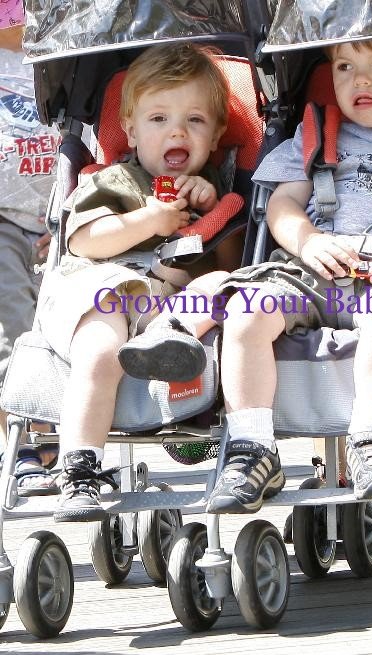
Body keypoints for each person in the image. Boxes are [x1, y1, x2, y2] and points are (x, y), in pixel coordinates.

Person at [201, 31, 372, 514]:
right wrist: (309, 240)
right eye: (344, 67)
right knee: (245, 310)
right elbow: (282, 205)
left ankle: (370, 438)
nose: (359, 79)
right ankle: (251, 448)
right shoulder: (316, 136)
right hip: (310, 274)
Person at [37, 43, 235, 522]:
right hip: (101, 293)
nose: (177, 132)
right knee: (101, 348)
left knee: (226, 283)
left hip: (163, 306)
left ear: (217, 134)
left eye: (195, 121)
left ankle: (170, 342)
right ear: (129, 130)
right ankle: (79, 466)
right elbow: (85, 240)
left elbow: (227, 262)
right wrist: (149, 220)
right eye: (158, 119)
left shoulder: (211, 188)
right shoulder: (115, 180)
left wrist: (213, 213)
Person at [0, 8, 61, 495]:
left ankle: (55, 427)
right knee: (10, 329)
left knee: (56, 329)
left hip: (62, 217)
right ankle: (23, 439)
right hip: (2, 218)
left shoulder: (61, 54)